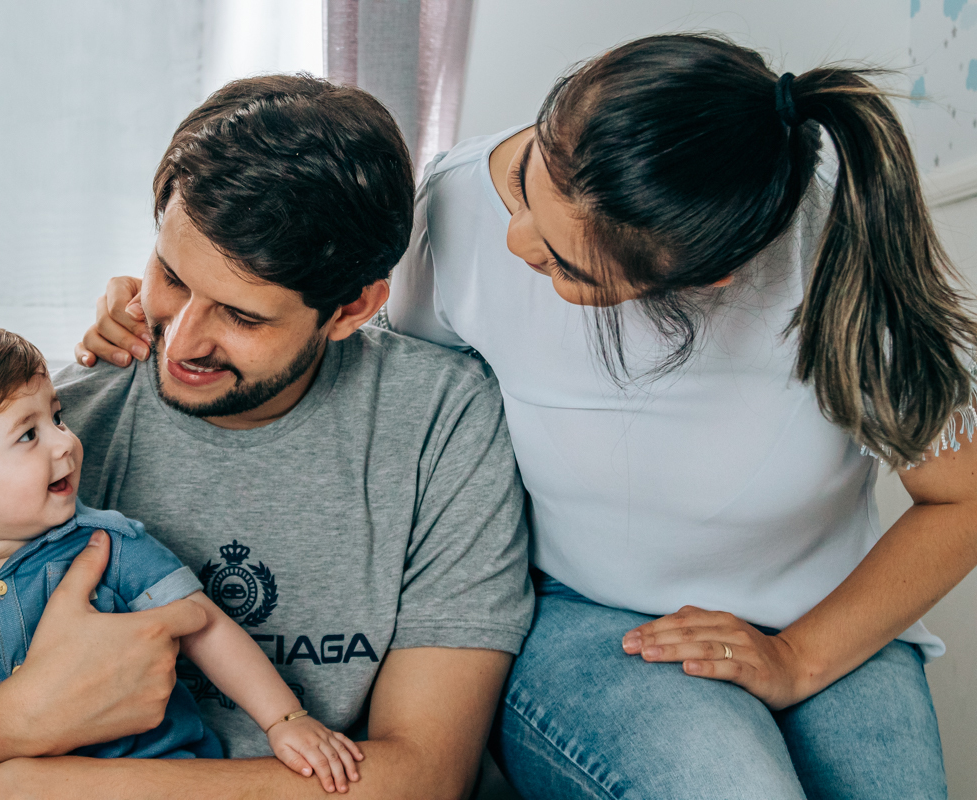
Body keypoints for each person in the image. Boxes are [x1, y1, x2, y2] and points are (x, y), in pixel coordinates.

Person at [82, 34, 977, 800]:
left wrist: (800, 661)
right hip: (586, 613)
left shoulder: (838, 252)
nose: (512, 240)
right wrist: (155, 310)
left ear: (704, 280)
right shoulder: (451, 210)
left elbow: (962, 496)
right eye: (524, 181)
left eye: (563, 266)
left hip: (820, 606)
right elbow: (309, 330)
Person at [0, 75, 532, 800]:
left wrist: (42, 784)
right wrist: (18, 718)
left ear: (351, 309)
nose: (179, 343)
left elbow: (422, 777)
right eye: (172, 277)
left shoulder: (437, 423)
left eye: (242, 316)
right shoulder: (48, 435)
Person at [0, 324, 363, 800]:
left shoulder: (111, 542)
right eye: (29, 434)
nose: (65, 442)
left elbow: (204, 625)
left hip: (151, 777)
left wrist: (284, 719)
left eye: (57, 417)